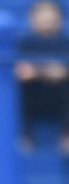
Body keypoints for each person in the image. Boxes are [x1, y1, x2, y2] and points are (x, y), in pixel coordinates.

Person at [15, 0, 69, 154]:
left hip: (60, 97)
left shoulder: (66, 44)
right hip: (34, 95)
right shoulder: (24, 44)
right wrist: (42, 72)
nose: (46, 20)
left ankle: (67, 135)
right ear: (32, 18)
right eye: (42, 15)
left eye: (50, 16)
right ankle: (25, 135)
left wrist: (62, 72)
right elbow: (19, 69)